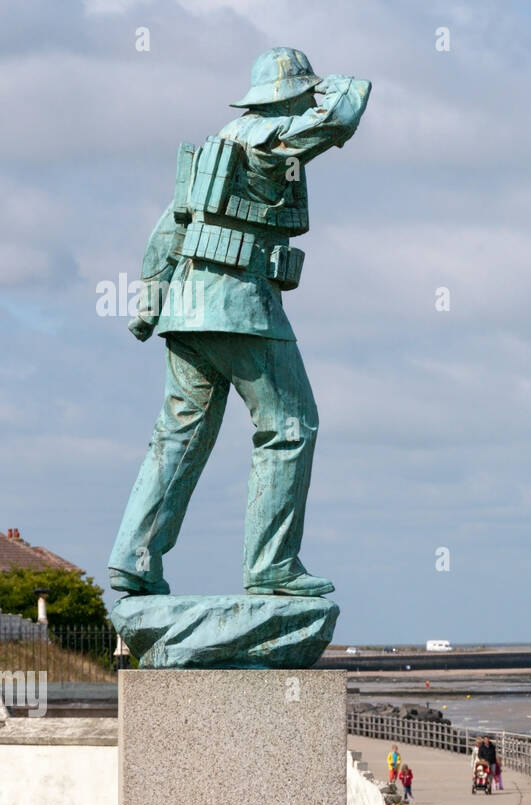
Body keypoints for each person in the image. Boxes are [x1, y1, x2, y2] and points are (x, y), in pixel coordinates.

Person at [108, 48, 372, 597]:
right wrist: (329, 85)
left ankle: (135, 556)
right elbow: (345, 109)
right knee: (290, 426)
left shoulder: (214, 146)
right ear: (292, 95)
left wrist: (151, 300)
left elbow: (167, 230)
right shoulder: (274, 141)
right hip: (241, 308)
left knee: (178, 435)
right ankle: (272, 565)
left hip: (185, 311)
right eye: (303, 93)